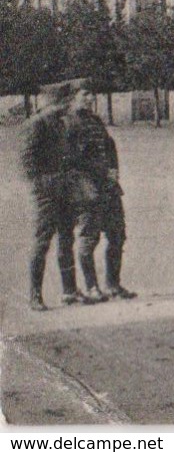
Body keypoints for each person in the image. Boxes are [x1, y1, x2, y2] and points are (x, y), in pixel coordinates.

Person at [21, 82, 91, 311]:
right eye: (64, 101)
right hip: (46, 193)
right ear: (54, 101)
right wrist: (46, 185)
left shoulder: (64, 123)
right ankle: (35, 295)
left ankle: (69, 291)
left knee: (66, 239)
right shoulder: (36, 124)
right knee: (42, 242)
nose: (67, 105)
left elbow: (71, 155)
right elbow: (28, 165)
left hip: (65, 189)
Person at [66, 84, 137, 301]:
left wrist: (114, 169)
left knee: (117, 234)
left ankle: (113, 285)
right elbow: (71, 159)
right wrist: (98, 174)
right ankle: (91, 287)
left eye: (92, 93)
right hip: (88, 189)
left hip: (108, 188)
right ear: (74, 97)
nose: (90, 97)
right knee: (89, 238)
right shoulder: (69, 122)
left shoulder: (95, 121)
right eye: (85, 93)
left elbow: (109, 145)